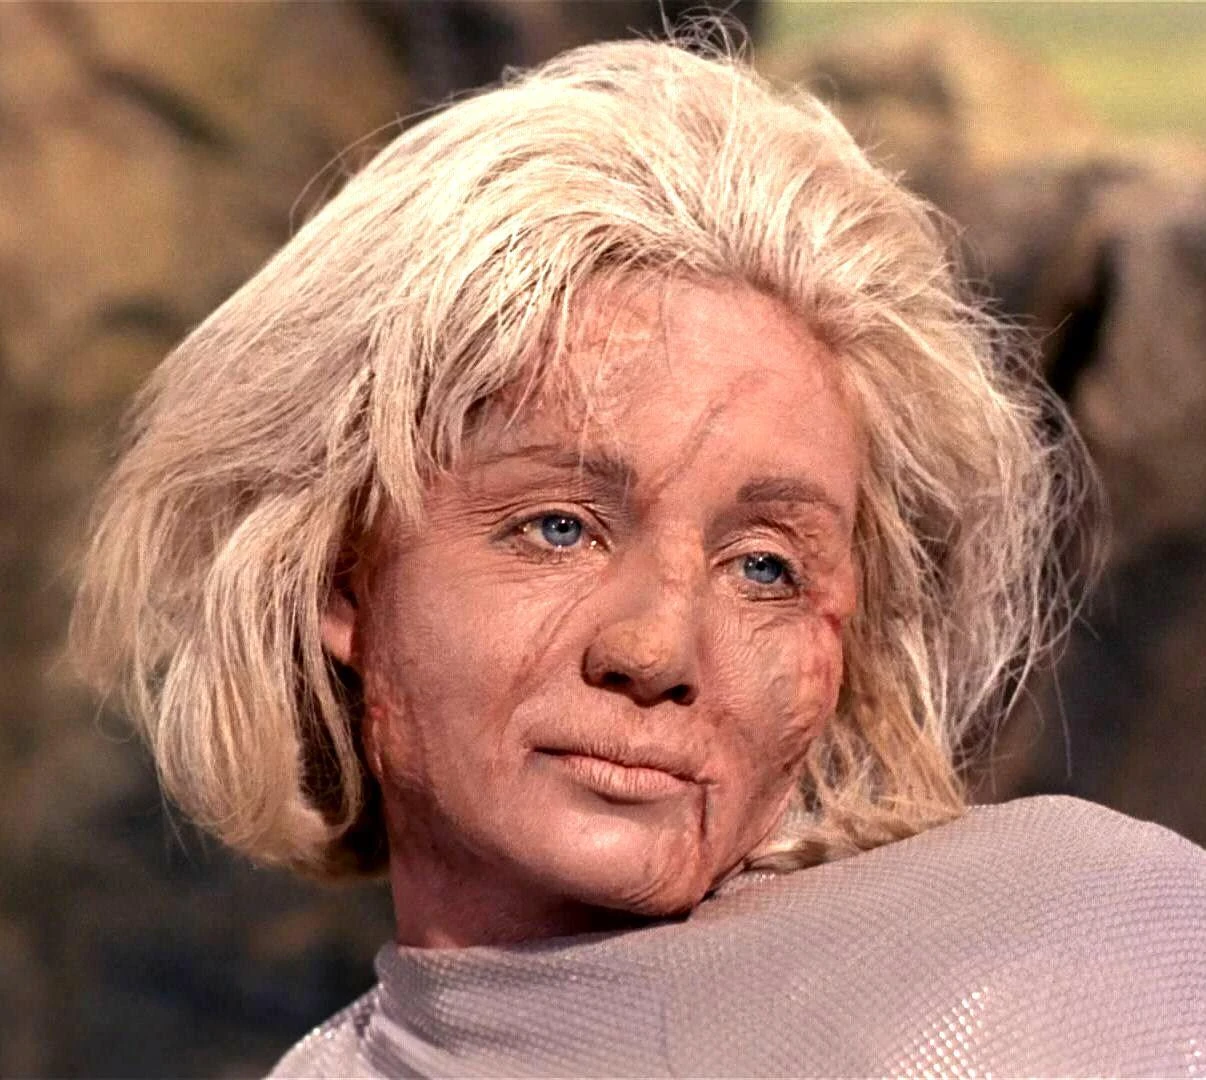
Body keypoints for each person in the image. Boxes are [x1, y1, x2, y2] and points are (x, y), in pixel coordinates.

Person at [72, 35, 1204, 1078]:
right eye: (559, 528)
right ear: (340, 572)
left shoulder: (1076, 963)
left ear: (847, 643)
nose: (657, 650)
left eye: (765, 567)